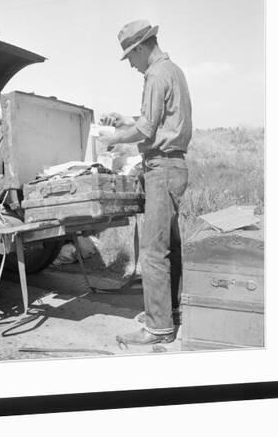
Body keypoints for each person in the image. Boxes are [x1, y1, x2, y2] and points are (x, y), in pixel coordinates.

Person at [99, 19, 192, 345]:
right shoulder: (173, 70)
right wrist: (127, 120)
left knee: (153, 252)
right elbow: (159, 120)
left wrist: (113, 139)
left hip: (161, 169)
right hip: (174, 167)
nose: (132, 66)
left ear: (140, 47)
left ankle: (157, 327)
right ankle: (171, 312)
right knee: (171, 247)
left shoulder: (155, 74)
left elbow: (147, 130)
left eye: (131, 58)